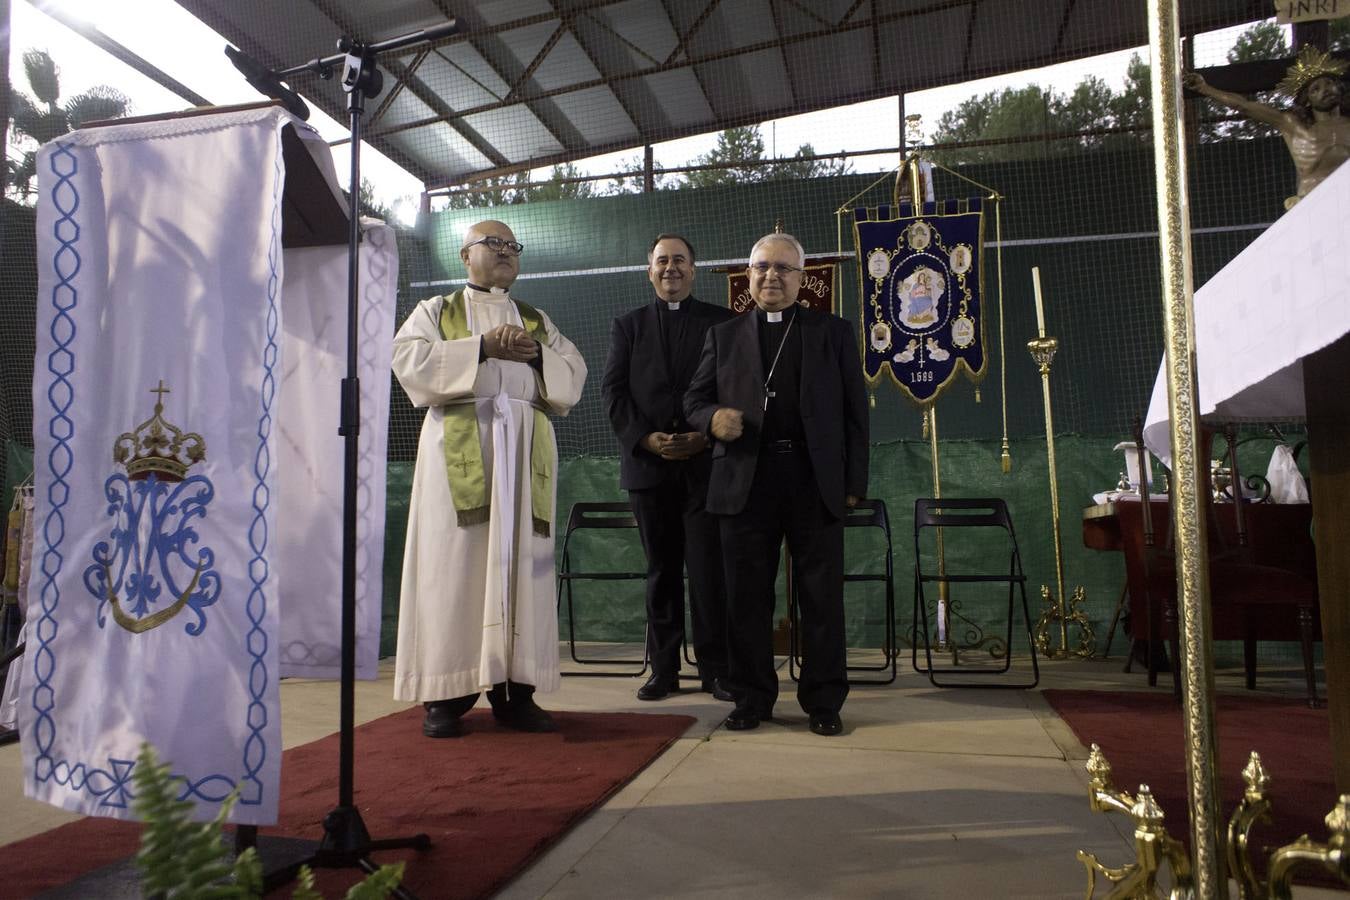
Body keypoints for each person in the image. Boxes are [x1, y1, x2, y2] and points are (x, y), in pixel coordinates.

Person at [391, 220, 587, 738]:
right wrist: (481, 348)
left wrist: (538, 352)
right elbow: (408, 360)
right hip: (461, 446)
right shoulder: (435, 311)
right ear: (464, 255)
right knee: (453, 567)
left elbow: (573, 376)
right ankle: (446, 696)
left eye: (512, 246)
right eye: (493, 244)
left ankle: (516, 694)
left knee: (522, 565)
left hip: (523, 448)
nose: (505, 253)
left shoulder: (535, 319)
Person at [684, 232, 869, 736]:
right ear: (748, 274)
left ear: (802, 278)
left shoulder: (833, 332)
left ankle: (825, 702)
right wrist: (711, 418)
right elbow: (694, 400)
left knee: (822, 598)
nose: (772, 276)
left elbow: (856, 414)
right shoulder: (723, 336)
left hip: (814, 481)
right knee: (746, 597)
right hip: (746, 479)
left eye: (784, 268)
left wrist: (854, 482)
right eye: (762, 266)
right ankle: (751, 698)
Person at [601, 234, 735, 703]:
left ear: (694, 270)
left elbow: (734, 388)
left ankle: (716, 671)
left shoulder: (723, 323)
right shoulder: (628, 326)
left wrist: (707, 433)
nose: (671, 268)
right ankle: (663, 672)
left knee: (706, 574)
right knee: (661, 572)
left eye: (680, 260)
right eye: (662, 261)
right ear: (649, 270)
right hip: (648, 470)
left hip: (705, 469)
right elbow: (613, 392)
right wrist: (646, 439)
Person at [1185, 46, 1350, 206]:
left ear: (1339, 88)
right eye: (1316, 89)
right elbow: (1244, 106)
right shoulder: (1293, 126)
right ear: (1307, 99)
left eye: (1329, 83)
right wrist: (1204, 88)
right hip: (1311, 203)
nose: (1325, 90)